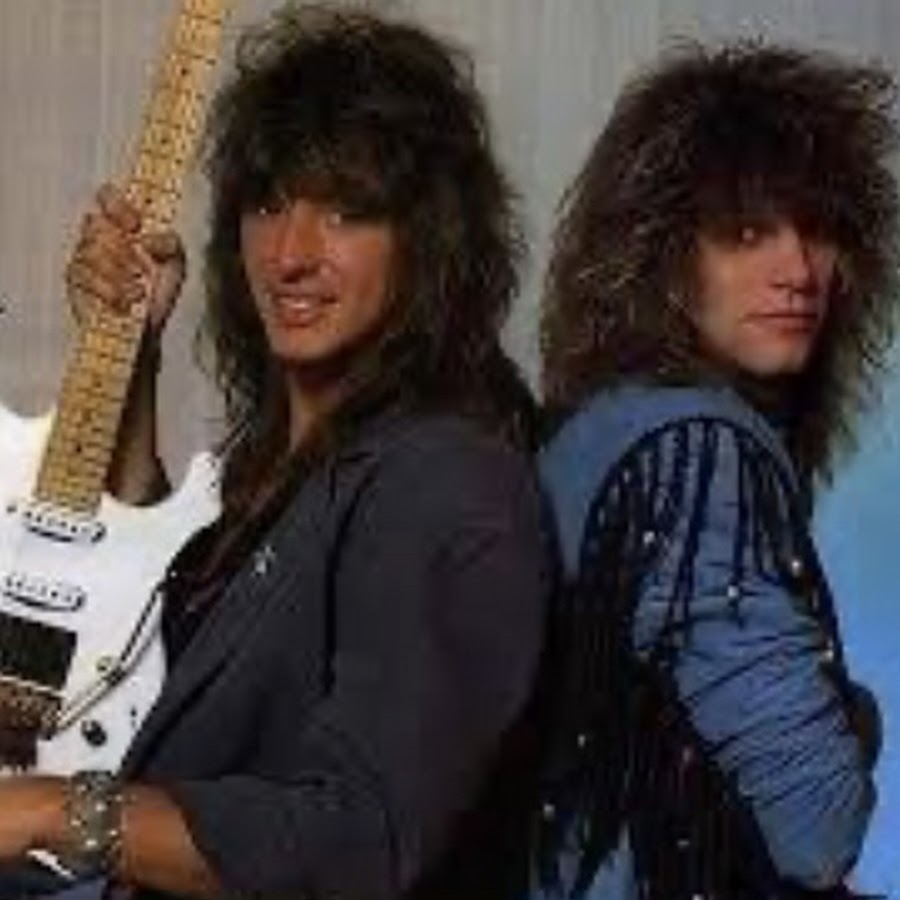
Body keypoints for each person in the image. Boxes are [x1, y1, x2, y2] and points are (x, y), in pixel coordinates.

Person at [0, 5, 547, 899]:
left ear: (428, 237)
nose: (290, 255)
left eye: (346, 212)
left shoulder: (444, 481)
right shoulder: (295, 462)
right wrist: (133, 349)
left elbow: (356, 840)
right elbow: (181, 640)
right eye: (268, 204)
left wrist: (54, 810)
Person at [529, 43, 898, 899]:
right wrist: (858, 717)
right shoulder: (697, 454)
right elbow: (819, 827)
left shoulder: (604, 427)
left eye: (818, 230)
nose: (798, 271)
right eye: (745, 233)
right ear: (662, 257)